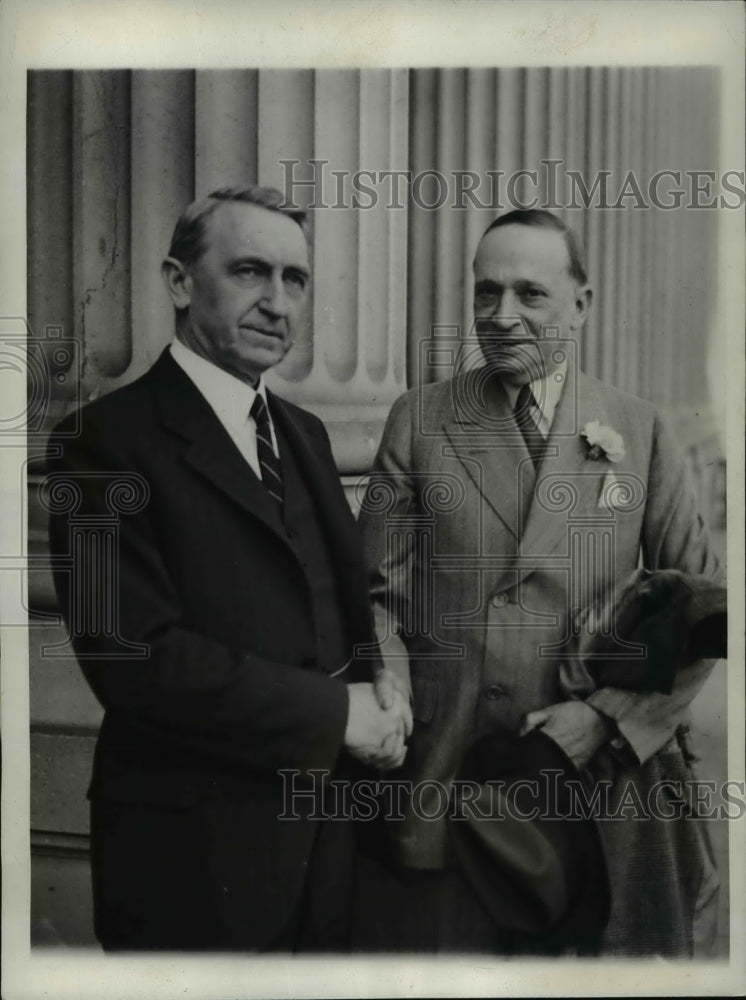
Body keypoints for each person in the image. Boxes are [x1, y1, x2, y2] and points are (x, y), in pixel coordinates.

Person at [45, 186, 411, 952]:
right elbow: (134, 658)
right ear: (179, 281)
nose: (278, 303)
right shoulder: (100, 444)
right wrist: (338, 716)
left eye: (296, 279)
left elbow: (347, 601)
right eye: (250, 272)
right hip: (193, 861)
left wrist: (386, 687)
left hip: (329, 847)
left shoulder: (305, 435)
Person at [357, 209, 723, 956]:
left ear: (580, 305)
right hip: (449, 775)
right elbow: (376, 598)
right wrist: (390, 700)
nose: (502, 317)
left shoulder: (640, 429)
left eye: (531, 294)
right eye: (486, 294)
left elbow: (708, 610)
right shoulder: (420, 421)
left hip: (600, 788)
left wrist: (608, 720)